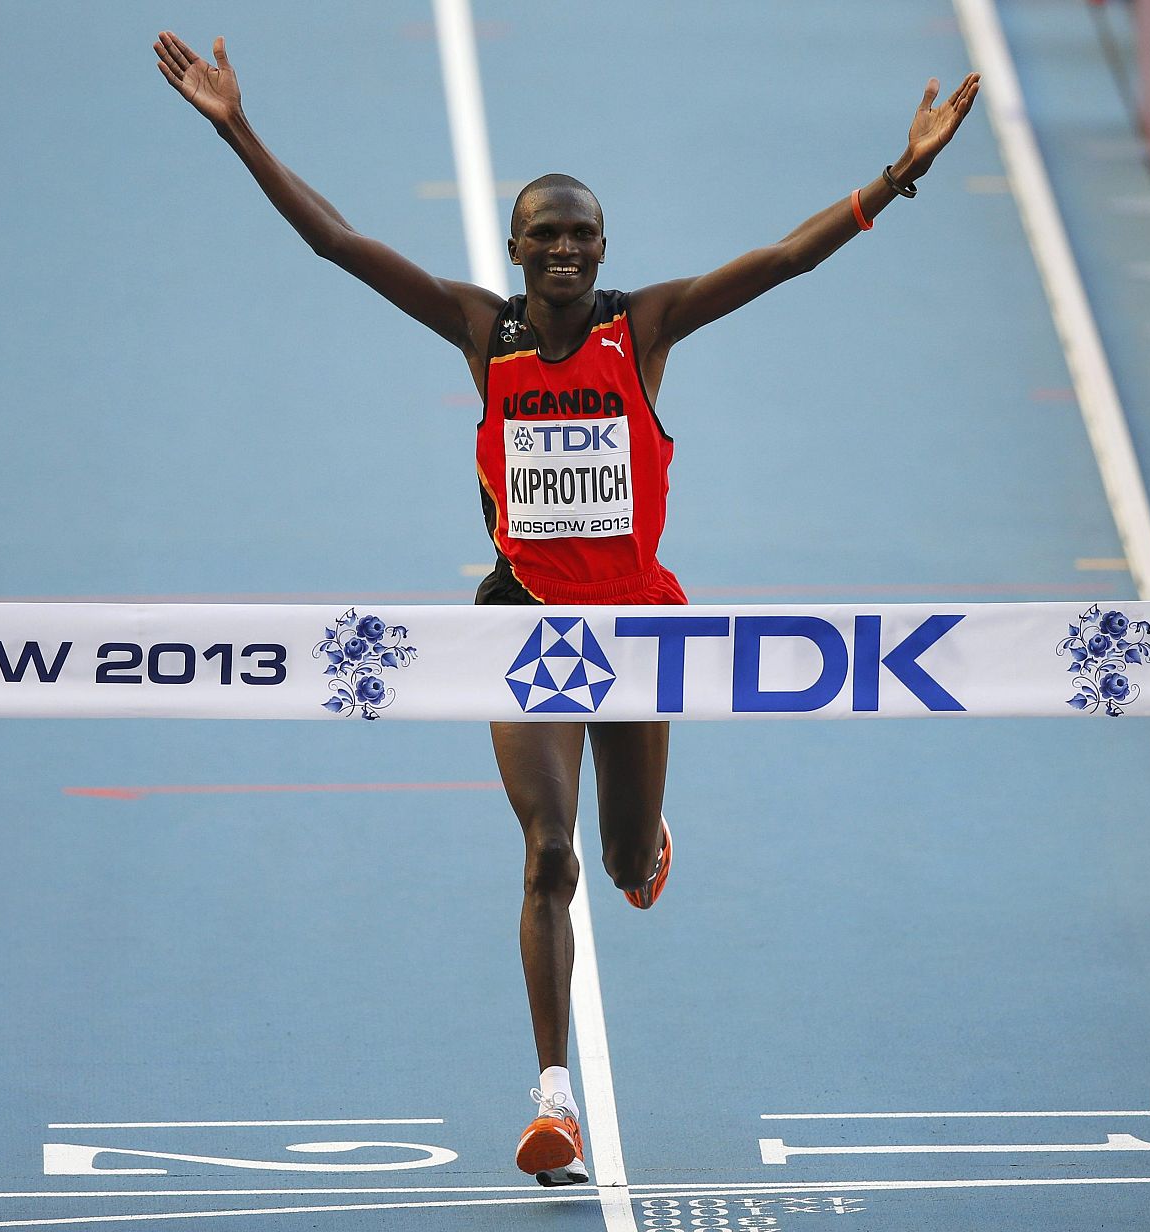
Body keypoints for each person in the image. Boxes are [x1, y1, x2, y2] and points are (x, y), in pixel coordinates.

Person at [154, 28, 979, 1187]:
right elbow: (336, 243)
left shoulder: (643, 328)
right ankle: (552, 1100)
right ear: (513, 248)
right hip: (522, 624)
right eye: (542, 232)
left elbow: (785, 259)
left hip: (636, 629)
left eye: (580, 234)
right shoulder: (477, 328)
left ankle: (646, 847)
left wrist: (905, 171)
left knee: (624, 862)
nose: (561, 248)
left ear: (602, 252)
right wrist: (238, 126)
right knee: (549, 852)